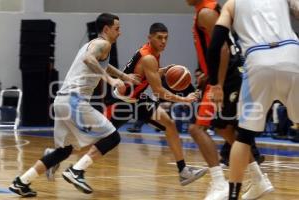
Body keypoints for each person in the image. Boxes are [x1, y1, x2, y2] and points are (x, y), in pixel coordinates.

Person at [9, 13, 141, 197]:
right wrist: (111, 81)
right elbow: (89, 60)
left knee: (64, 151)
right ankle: (76, 171)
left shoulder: (94, 44)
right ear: (106, 29)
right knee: (112, 137)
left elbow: (102, 64)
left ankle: (21, 182)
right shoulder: (103, 44)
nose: (120, 32)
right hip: (74, 101)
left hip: (62, 101)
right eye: (117, 29)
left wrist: (124, 76)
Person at [207, 0, 299, 199]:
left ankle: (233, 195)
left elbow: (215, 44)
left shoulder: (232, 4)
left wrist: (215, 83)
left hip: (258, 61)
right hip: (293, 56)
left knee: (244, 137)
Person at [104, 22, 207, 186]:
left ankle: (183, 171)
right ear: (150, 38)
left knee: (169, 124)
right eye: (159, 38)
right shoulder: (149, 57)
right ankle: (58, 155)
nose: (163, 41)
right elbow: (159, 91)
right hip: (120, 102)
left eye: (166, 38)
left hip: (136, 100)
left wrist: (163, 70)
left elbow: (145, 74)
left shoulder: (151, 53)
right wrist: (184, 99)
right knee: (98, 140)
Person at [185, 1, 266, 199]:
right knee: (224, 128)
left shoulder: (206, 12)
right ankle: (258, 180)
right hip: (227, 74)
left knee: (196, 129)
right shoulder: (206, 10)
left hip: (227, 77)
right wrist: (207, 72)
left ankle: (220, 184)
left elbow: (222, 49)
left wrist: (217, 84)